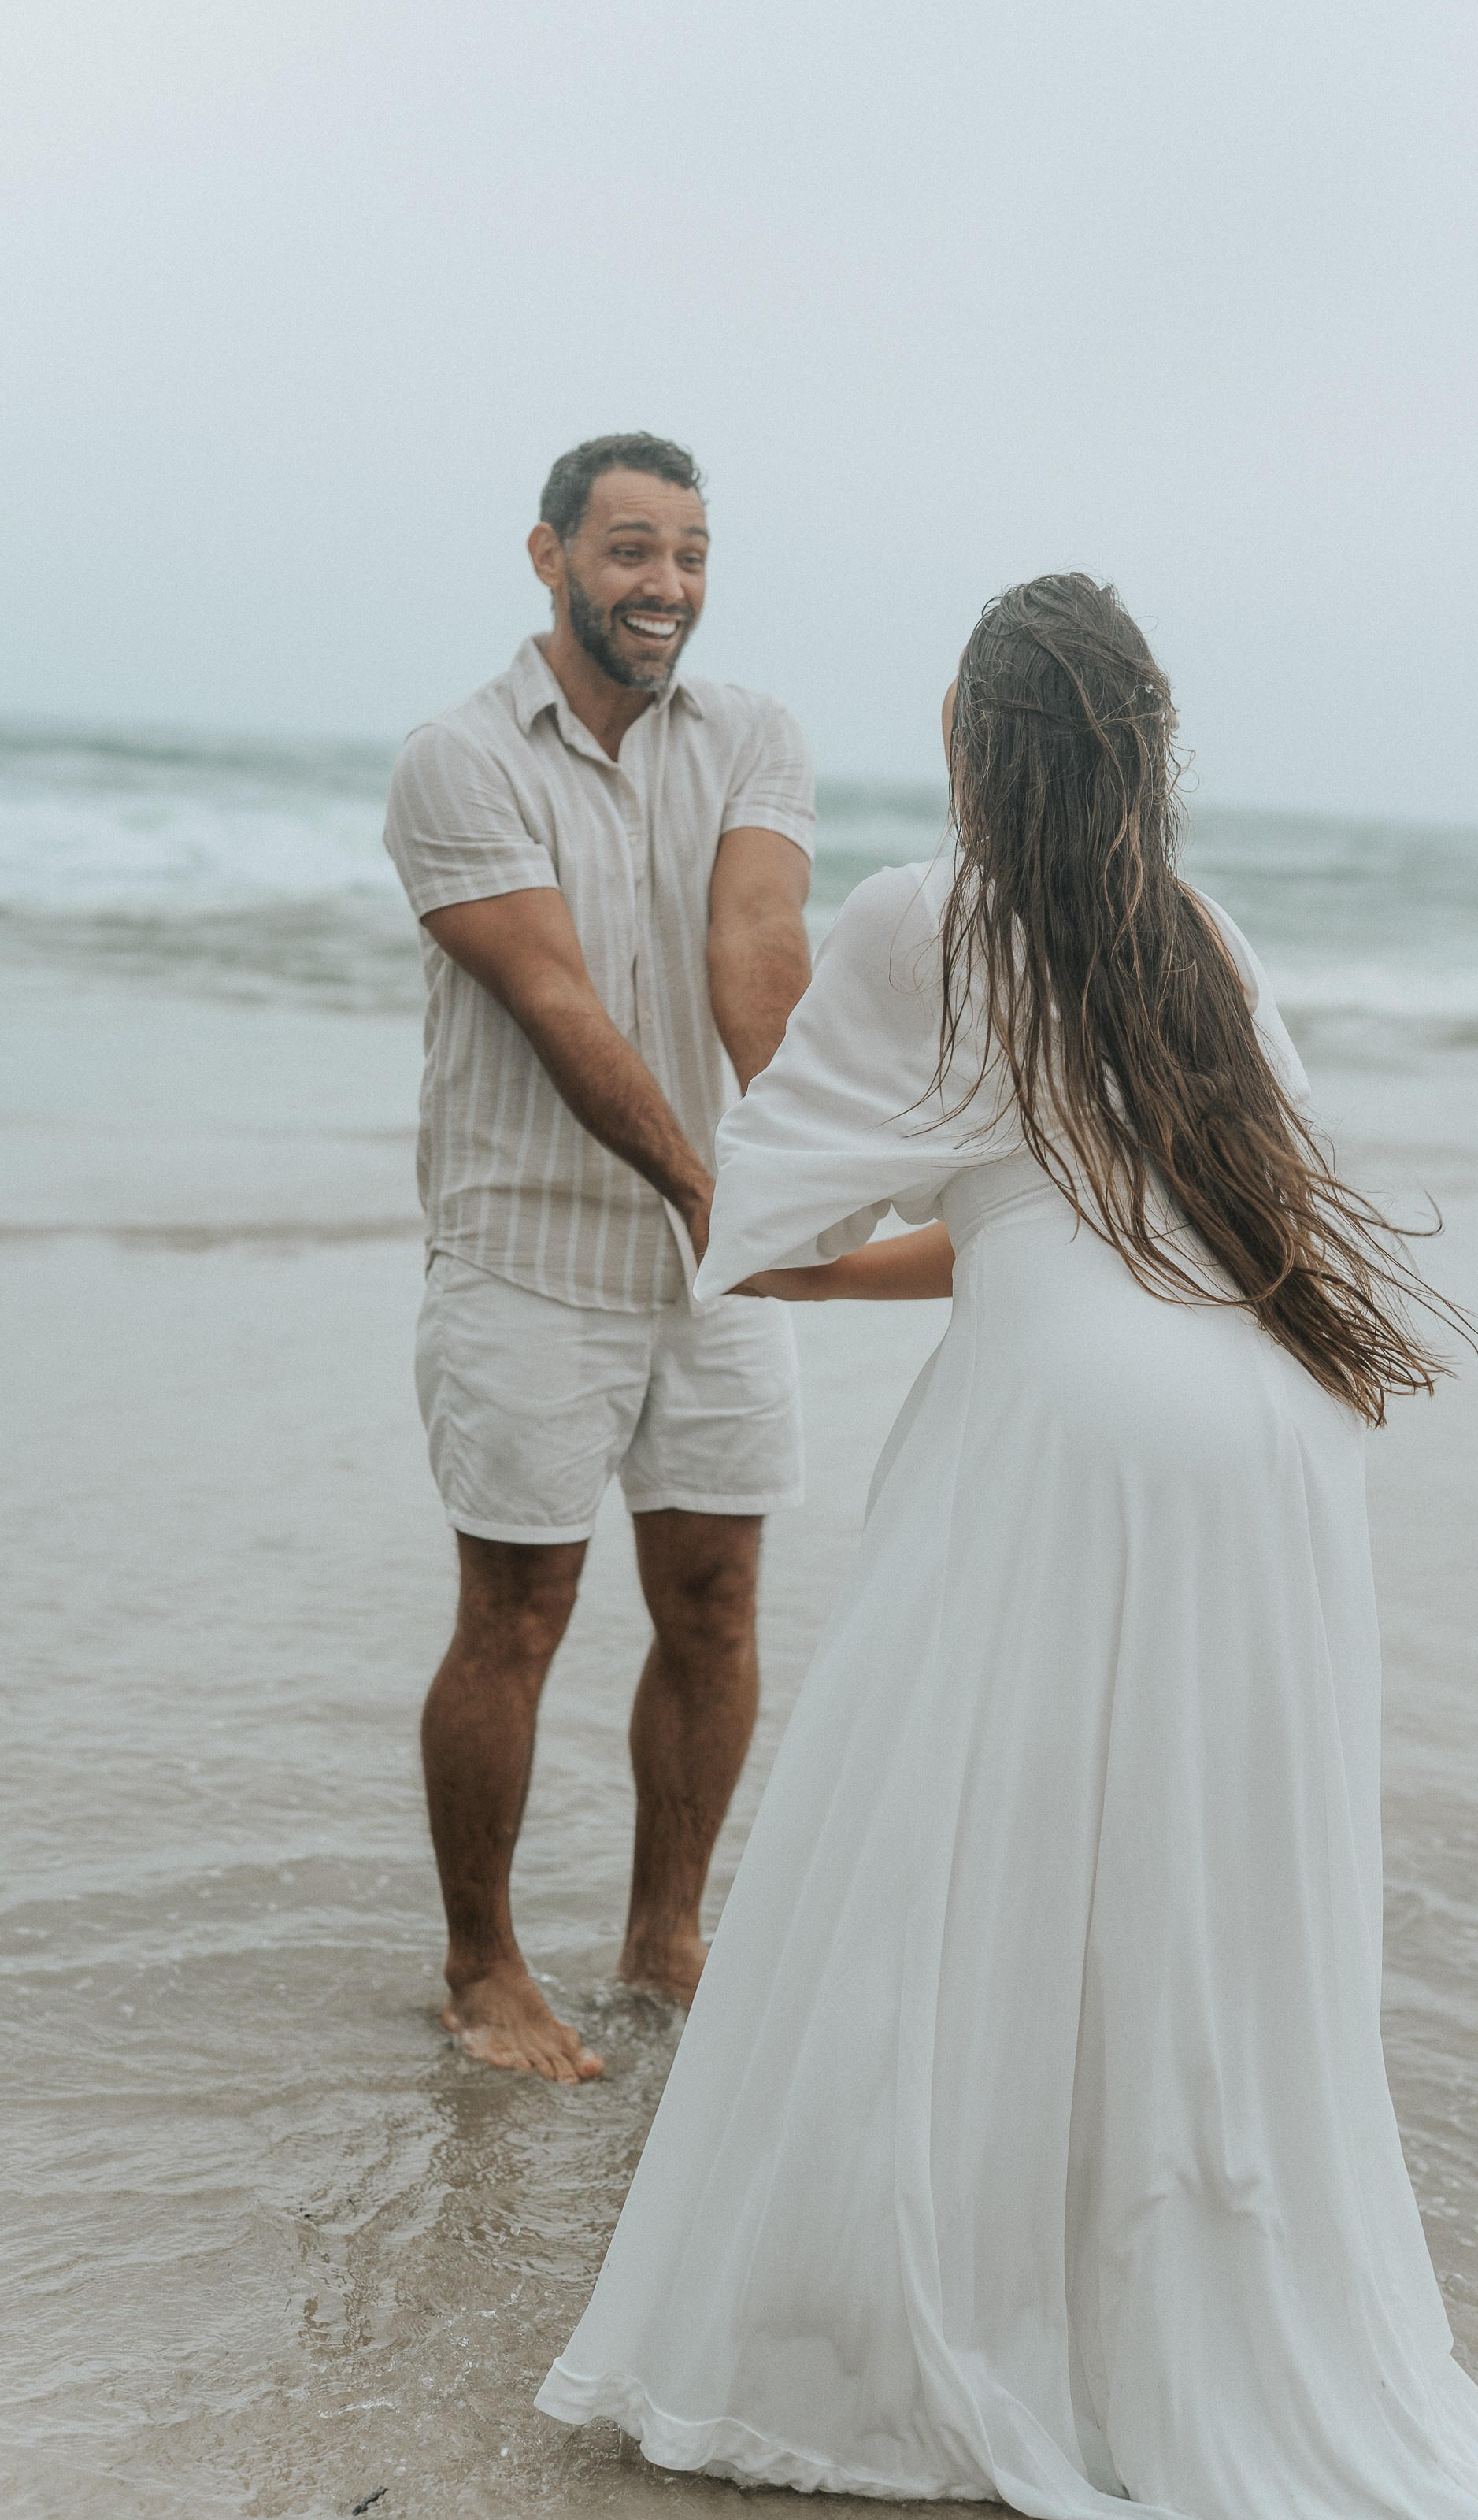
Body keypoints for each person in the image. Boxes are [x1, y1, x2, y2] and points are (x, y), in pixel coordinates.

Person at [535, 576, 1478, 2518]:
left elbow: (770, 1229)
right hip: (1275, 1437)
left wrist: (900, 1250)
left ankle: (950, 2315)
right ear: (1142, 753)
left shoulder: (919, 911)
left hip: (1069, 1426)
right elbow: (1149, 1216)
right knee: (1195, 1892)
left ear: (971, 741)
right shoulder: (1205, 939)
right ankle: (1177, 2319)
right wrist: (1006, 1245)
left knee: (955, 1859)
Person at [383, 432, 816, 2084]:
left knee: (713, 1601)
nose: (667, 586)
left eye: (692, 554)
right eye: (631, 550)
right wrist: (718, 1192)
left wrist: (790, 1175)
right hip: (527, 1252)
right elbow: (556, 1004)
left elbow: (754, 947)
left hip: (716, 1250)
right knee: (519, 1607)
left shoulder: (754, 734)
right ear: (548, 556)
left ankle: (664, 1933)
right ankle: (483, 1965)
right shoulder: (459, 757)